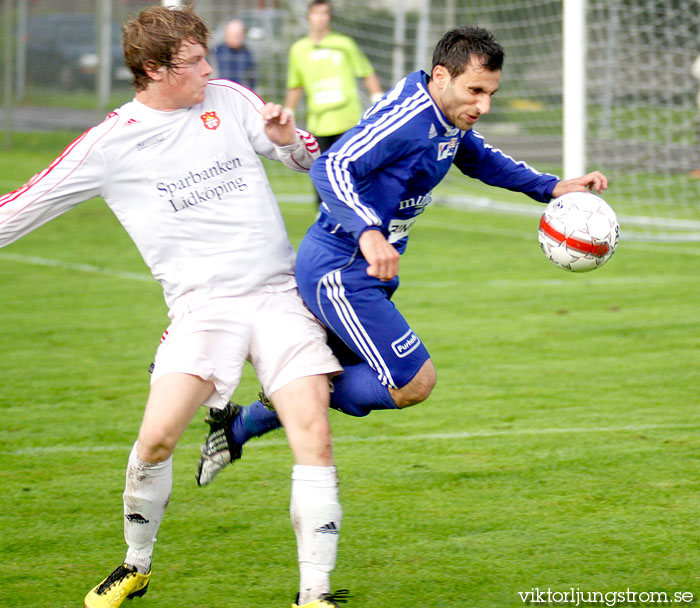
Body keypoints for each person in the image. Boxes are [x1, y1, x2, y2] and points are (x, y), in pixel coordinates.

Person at [0, 6, 348, 608]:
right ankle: (135, 566)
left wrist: (293, 142)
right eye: (193, 62)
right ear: (153, 69)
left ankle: (313, 593)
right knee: (157, 439)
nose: (209, 70)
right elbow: (23, 206)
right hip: (202, 309)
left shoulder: (230, 98)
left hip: (277, 296)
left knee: (312, 435)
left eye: (206, 56)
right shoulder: (108, 144)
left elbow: (306, 161)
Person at [195, 25, 609, 487]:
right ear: (440, 75)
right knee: (412, 381)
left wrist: (551, 186)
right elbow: (332, 166)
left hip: (370, 270)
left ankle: (238, 424)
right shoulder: (408, 119)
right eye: (475, 91)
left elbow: (478, 158)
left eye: (491, 93)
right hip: (341, 268)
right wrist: (369, 232)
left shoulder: (445, 117)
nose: (484, 105)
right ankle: (256, 376)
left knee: (327, 373)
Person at [284, 0, 383, 204]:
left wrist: (378, 99)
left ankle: (354, 213)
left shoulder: (344, 44)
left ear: (329, 18)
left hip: (347, 119)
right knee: (320, 172)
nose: (320, 18)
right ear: (308, 17)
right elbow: (295, 84)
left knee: (349, 170)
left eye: (324, 14)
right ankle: (321, 216)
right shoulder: (299, 49)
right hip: (318, 122)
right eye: (316, 13)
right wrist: (289, 111)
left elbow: (365, 72)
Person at [215, 18, 256, 89]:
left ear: (243, 35)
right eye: (233, 35)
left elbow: (252, 79)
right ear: (226, 34)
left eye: (238, 35)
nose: (236, 38)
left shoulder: (247, 54)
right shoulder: (216, 52)